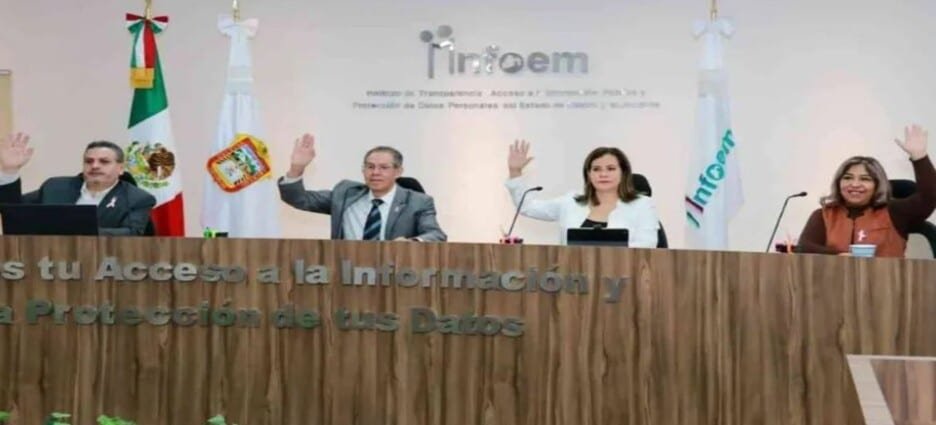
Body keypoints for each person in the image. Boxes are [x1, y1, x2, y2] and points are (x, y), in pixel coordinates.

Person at [797, 125, 936, 257]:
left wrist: (920, 158)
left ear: (877, 185)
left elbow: (929, 198)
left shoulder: (894, 212)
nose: (854, 184)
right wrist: (840, 257)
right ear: (838, 183)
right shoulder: (824, 215)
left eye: (865, 179)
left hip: (886, 275)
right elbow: (804, 248)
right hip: (835, 274)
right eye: (847, 178)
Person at [278, 133, 447, 241]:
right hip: (349, 274)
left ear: (398, 172)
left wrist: (411, 243)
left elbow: (436, 235)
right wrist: (297, 167)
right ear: (363, 170)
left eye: (384, 167)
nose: (375, 172)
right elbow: (298, 199)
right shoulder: (345, 194)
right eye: (370, 167)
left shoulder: (417, 201)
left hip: (397, 275)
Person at [505, 140, 660, 246]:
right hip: (574, 278)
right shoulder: (571, 202)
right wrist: (515, 172)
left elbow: (647, 245)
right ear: (588, 174)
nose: (603, 174)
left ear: (623, 173)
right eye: (596, 169)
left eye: (611, 169)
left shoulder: (642, 205)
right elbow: (527, 207)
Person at [0, 132, 156, 236]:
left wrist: (76, 228)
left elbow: (132, 234)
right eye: (89, 161)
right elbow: (13, 212)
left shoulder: (137, 198)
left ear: (121, 168)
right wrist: (9, 172)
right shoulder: (55, 187)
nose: (95, 166)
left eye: (104, 161)